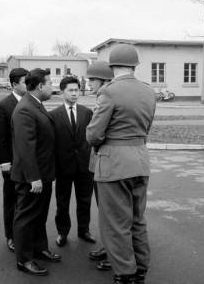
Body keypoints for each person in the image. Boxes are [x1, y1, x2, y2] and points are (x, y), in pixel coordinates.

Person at [86, 44, 156, 284]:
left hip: (114, 164)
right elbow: (145, 128)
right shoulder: (148, 91)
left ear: (112, 66)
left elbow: (93, 135)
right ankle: (141, 268)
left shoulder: (109, 92)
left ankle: (125, 273)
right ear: (134, 65)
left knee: (116, 223)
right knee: (137, 220)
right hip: (140, 160)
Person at [11, 68, 61, 276]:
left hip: (44, 173)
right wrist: (34, 178)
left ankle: (39, 249)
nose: (53, 87)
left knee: (39, 215)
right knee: (26, 217)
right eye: (50, 83)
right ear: (40, 86)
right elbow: (25, 147)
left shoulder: (36, 105)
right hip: (32, 177)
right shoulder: (25, 109)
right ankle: (24, 259)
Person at [50, 76, 95, 248]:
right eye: (71, 90)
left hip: (84, 166)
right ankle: (62, 232)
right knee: (63, 202)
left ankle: (84, 230)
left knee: (85, 201)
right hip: (63, 167)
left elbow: (91, 138)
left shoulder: (87, 112)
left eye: (77, 90)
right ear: (62, 92)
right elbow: (52, 143)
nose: (75, 93)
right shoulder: (54, 115)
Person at [0, 68, 29, 253]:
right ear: (14, 84)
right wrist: (4, 162)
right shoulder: (3, 106)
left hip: (29, 163)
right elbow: (0, 138)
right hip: (12, 163)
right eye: (25, 81)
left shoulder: (32, 102)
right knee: (11, 201)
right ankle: (11, 236)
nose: (29, 84)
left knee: (27, 202)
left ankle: (25, 235)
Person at [85, 61, 114, 272]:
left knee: (111, 212)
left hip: (108, 162)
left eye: (93, 80)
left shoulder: (109, 97)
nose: (89, 84)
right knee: (103, 210)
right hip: (98, 163)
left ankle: (115, 254)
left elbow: (96, 134)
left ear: (104, 80)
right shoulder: (100, 98)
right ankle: (108, 246)